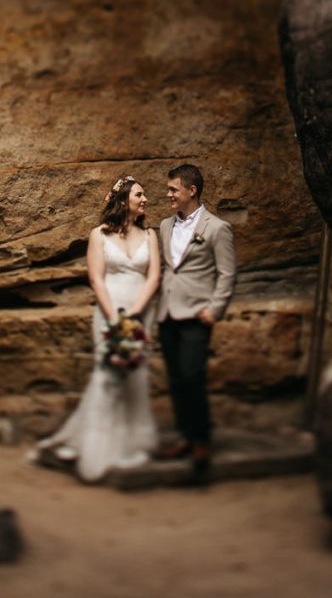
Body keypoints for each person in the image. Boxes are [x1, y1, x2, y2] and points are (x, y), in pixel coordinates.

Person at [34, 175, 160, 482]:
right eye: (139, 195)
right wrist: (116, 318)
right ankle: (95, 447)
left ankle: (131, 445)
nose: (145, 200)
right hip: (109, 313)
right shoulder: (99, 235)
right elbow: (96, 279)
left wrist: (135, 314)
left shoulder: (151, 236)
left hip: (140, 312)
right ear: (123, 200)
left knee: (135, 374)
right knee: (108, 376)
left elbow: (154, 276)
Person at [156, 163, 237, 480]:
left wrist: (214, 309)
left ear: (192, 190)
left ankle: (201, 440)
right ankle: (185, 438)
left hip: (196, 315)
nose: (169, 194)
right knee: (176, 379)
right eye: (168, 189)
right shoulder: (164, 226)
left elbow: (227, 273)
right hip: (167, 313)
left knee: (192, 377)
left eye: (174, 189)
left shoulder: (217, 228)